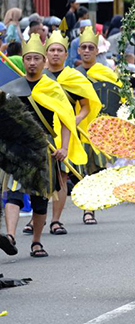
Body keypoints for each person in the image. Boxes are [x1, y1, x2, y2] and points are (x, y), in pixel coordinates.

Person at [1, 34, 85, 257]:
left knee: (40, 198)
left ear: (43, 61)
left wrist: (64, 148)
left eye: (36, 58)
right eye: (28, 58)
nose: (31, 62)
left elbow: (67, 120)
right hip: (18, 147)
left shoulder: (53, 88)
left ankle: (36, 242)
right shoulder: (13, 87)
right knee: (14, 193)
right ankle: (10, 236)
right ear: (24, 60)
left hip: (45, 148)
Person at [31, 31, 102, 235]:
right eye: (51, 50)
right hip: (43, 132)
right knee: (41, 176)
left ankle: (56, 220)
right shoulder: (37, 76)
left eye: (59, 50)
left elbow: (86, 106)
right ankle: (37, 219)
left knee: (63, 176)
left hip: (66, 133)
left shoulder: (74, 77)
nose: (55, 54)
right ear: (46, 53)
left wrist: (74, 120)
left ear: (65, 54)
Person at [75, 27, 121, 223]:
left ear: (97, 51)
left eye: (90, 47)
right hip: (76, 127)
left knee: (94, 172)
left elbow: (118, 99)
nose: (86, 51)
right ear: (78, 50)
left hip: (97, 130)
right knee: (78, 172)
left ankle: (89, 209)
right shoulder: (71, 74)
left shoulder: (106, 73)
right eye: (83, 47)